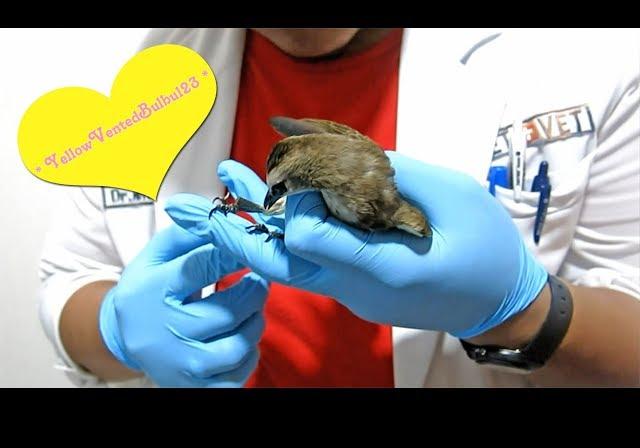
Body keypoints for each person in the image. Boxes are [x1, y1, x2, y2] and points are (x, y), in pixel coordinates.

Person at [39, 28, 640, 388]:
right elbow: (68, 281)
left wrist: (524, 310)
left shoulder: (587, 55)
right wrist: (117, 328)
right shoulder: (143, 74)